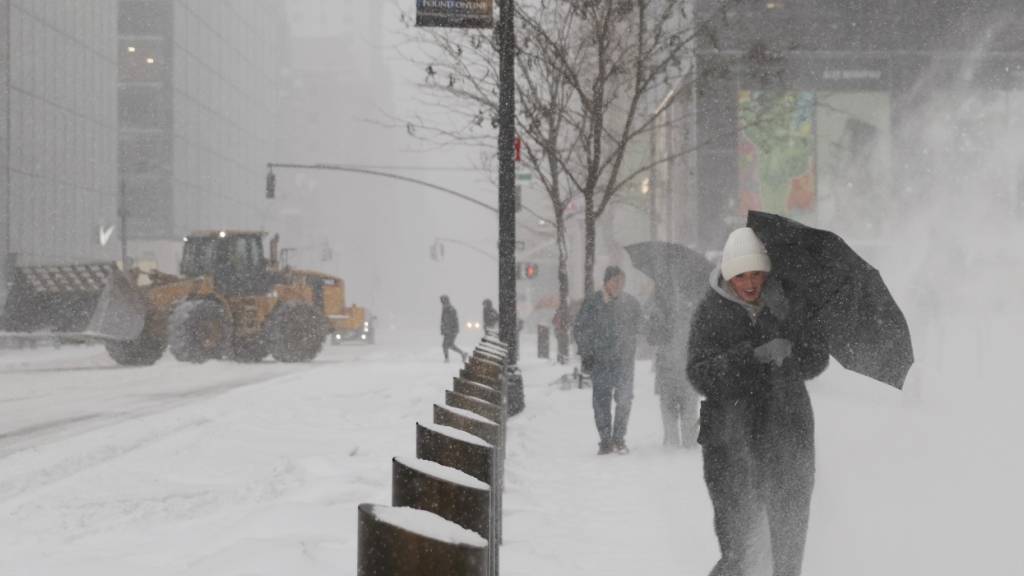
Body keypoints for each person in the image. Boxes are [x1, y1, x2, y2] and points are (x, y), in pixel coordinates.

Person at [686, 227, 829, 576]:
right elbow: (699, 373)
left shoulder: (786, 305)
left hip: (787, 433)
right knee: (739, 545)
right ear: (727, 274)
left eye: (756, 274)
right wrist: (752, 356)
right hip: (728, 442)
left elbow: (816, 362)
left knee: (787, 543)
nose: (749, 283)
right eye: (740, 276)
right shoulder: (710, 312)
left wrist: (795, 346)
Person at [573, 265, 642, 455]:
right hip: (600, 361)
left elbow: (641, 327)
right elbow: (580, 329)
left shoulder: (631, 304)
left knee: (625, 400)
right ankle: (605, 440)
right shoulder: (593, 303)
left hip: (624, 361)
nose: (619, 285)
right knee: (601, 401)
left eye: (622, 281)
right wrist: (587, 353)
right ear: (606, 282)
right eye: (615, 281)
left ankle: (619, 439)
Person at [646, 286, 699, 449]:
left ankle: (685, 444)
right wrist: (658, 318)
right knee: (670, 411)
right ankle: (672, 447)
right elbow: (652, 338)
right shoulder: (659, 310)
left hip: (686, 367)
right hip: (668, 368)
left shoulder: (693, 310)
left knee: (688, 411)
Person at [440, 295, 467, 363]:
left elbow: (452, 320)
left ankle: (447, 359)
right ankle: (463, 354)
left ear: (446, 301)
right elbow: (444, 321)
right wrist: (443, 329)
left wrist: (449, 329)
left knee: (445, 345)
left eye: (443, 301)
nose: (442, 303)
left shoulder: (450, 309)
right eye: (442, 301)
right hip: (449, 330)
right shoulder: (446, 309)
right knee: (450, 345)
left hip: (451, 330)